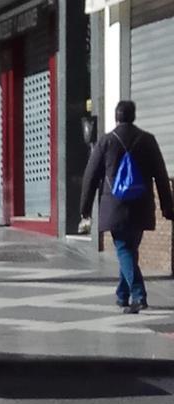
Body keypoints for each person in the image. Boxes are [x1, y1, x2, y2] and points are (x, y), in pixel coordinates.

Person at [79, 100, 174, 314]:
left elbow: (90, 176)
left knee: (123, 250)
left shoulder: (106, 141)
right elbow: (160, 174)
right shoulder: (148, 140)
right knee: (129, 250)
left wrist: (85, 209)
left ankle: (139, 295)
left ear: (116, 117)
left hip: (115, 206)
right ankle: (122, 295)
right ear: (134, 116)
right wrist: (168, 207)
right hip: (141, 206)